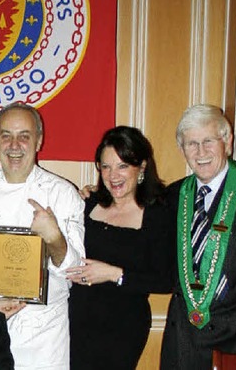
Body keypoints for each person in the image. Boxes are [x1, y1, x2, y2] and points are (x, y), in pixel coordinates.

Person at [0, 102, 85, 369]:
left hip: (45, 333)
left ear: (39, 141)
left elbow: (77, 272)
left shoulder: (62, 194)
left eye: (24, 136)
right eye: (6, 135)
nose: (14, 145)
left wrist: (54, 237)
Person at [66, 126, 175, 369]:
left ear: (142, 166)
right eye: (105, 166)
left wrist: (114, 274)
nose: (113, 175)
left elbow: (166, 280)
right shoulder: (88, 203)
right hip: (75, 318)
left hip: (122, 327)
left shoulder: (158, 213)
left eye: (122, 165)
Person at [160, 104, 236, 369]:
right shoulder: (171, 197)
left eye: (208, 141)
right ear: (182, 150)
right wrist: (95, 195)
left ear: (228, 141)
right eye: (191, 144)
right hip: (182, 344)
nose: (201, 153)